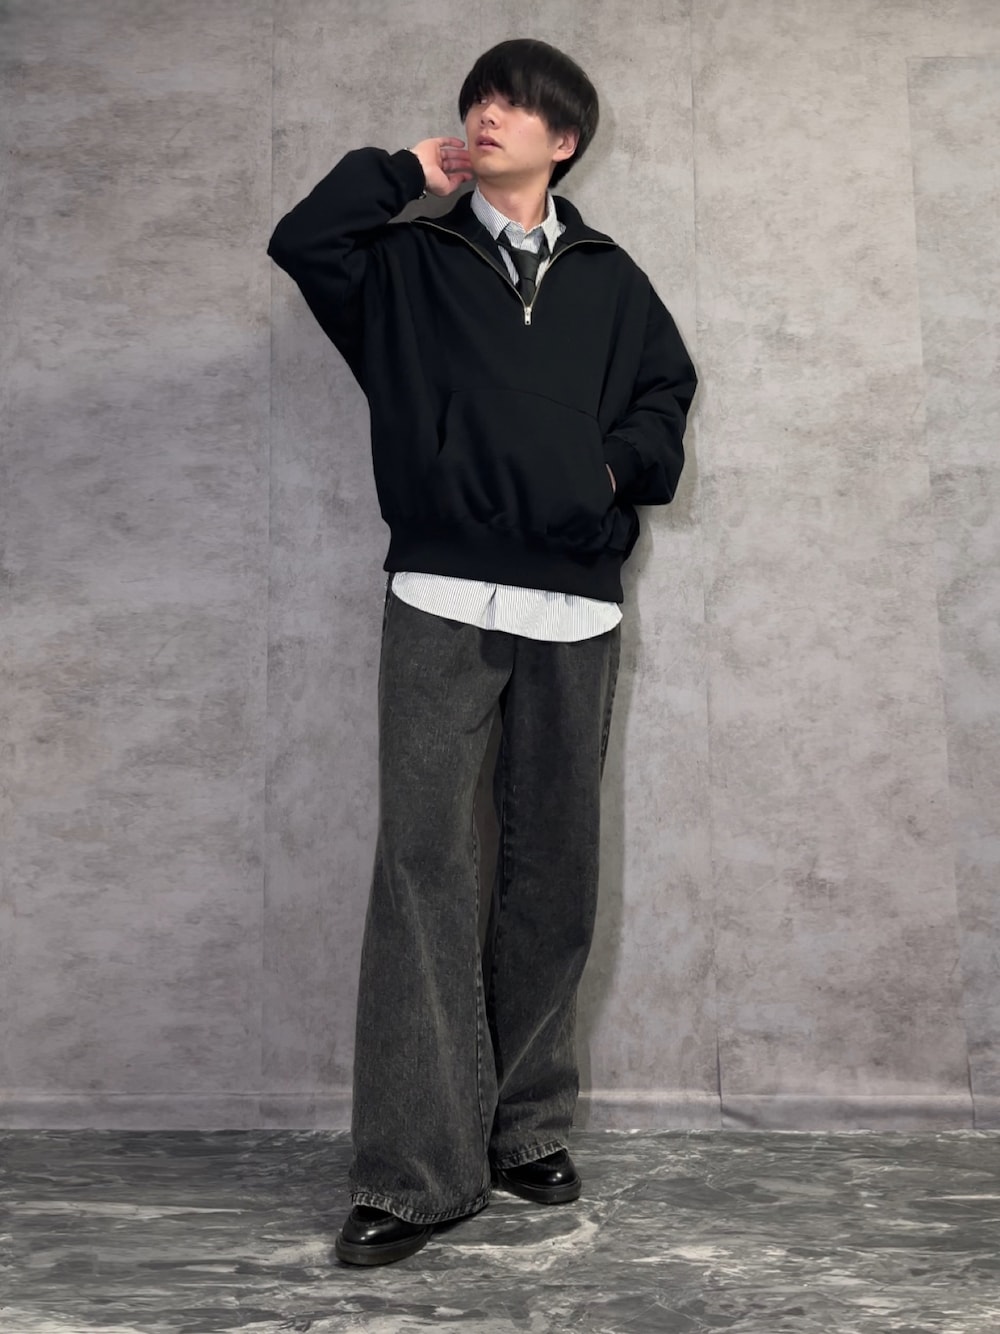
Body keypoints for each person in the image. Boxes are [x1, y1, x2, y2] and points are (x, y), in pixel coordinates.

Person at [267, 37, 697, 1266]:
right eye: (478, 99)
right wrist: (401, 171)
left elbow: (664, 396)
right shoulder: (403, 261)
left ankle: (523, 1127)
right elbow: (303, 240)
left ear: (565, 139)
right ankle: (413, 1173)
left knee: (553, 868)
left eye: (515, 103)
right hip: (442, 588)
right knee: (423, 864)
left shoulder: (612, 277)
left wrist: (608, 473)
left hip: (575, 601)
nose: (486, 113)